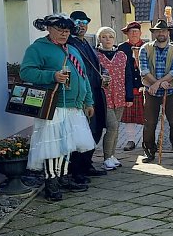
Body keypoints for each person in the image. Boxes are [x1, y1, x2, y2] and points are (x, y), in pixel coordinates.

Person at [20, 14, 93, 200]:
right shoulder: (38, 48)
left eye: (67, 31)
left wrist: (88, 101)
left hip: (74, 106)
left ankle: (62, 177)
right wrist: (52, 76)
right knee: (53, 145)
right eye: (60, 30)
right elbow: (26, 72)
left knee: (68, 144)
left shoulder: (72, 49)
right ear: (49, 29)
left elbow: (83, 77)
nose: (64, 34)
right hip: (54, 105)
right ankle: (51, 184)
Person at [138, 19, 173, 162]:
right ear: (154, 33)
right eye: (158, 31)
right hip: (151, 91)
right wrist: (156, 85)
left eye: (164, 31)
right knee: (150, 123)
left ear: (168, 33)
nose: (161, 33)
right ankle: (149, 150)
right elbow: (144, 70)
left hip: (170, 91)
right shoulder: (145, 48)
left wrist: (158, 84)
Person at [67, 11, 107, 181]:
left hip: (96, 92)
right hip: (82, 95)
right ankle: (76, 170)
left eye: (85, 22)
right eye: (78, 22)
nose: (82, 25)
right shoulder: (69, 44)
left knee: (96, 129)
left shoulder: (87, 43)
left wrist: (103, 74)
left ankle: (87, 163)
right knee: (83, 131)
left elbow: (94, 67)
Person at [95, 27, 133, 171]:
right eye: (104, 37)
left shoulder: (122, 55)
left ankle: (112, 156)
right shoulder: (96, 55)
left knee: (116, 127)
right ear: (99, 39)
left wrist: (129, 96)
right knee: (112, 126)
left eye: (110, 36)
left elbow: (128, 75)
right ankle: (106, 158)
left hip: (119, 95)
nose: (107, 39)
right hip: (104, 97)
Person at [118, 22, 146, 152]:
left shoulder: (147, 46)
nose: (134, 34)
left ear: (140, 33)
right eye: (131, 31)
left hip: (144, 86)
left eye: (136, 31)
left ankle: (147, 140)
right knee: (129, 117)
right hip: (128, 86)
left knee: (147, 116)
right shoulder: (122, 48)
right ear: (127, 34)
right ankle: (131, 140)